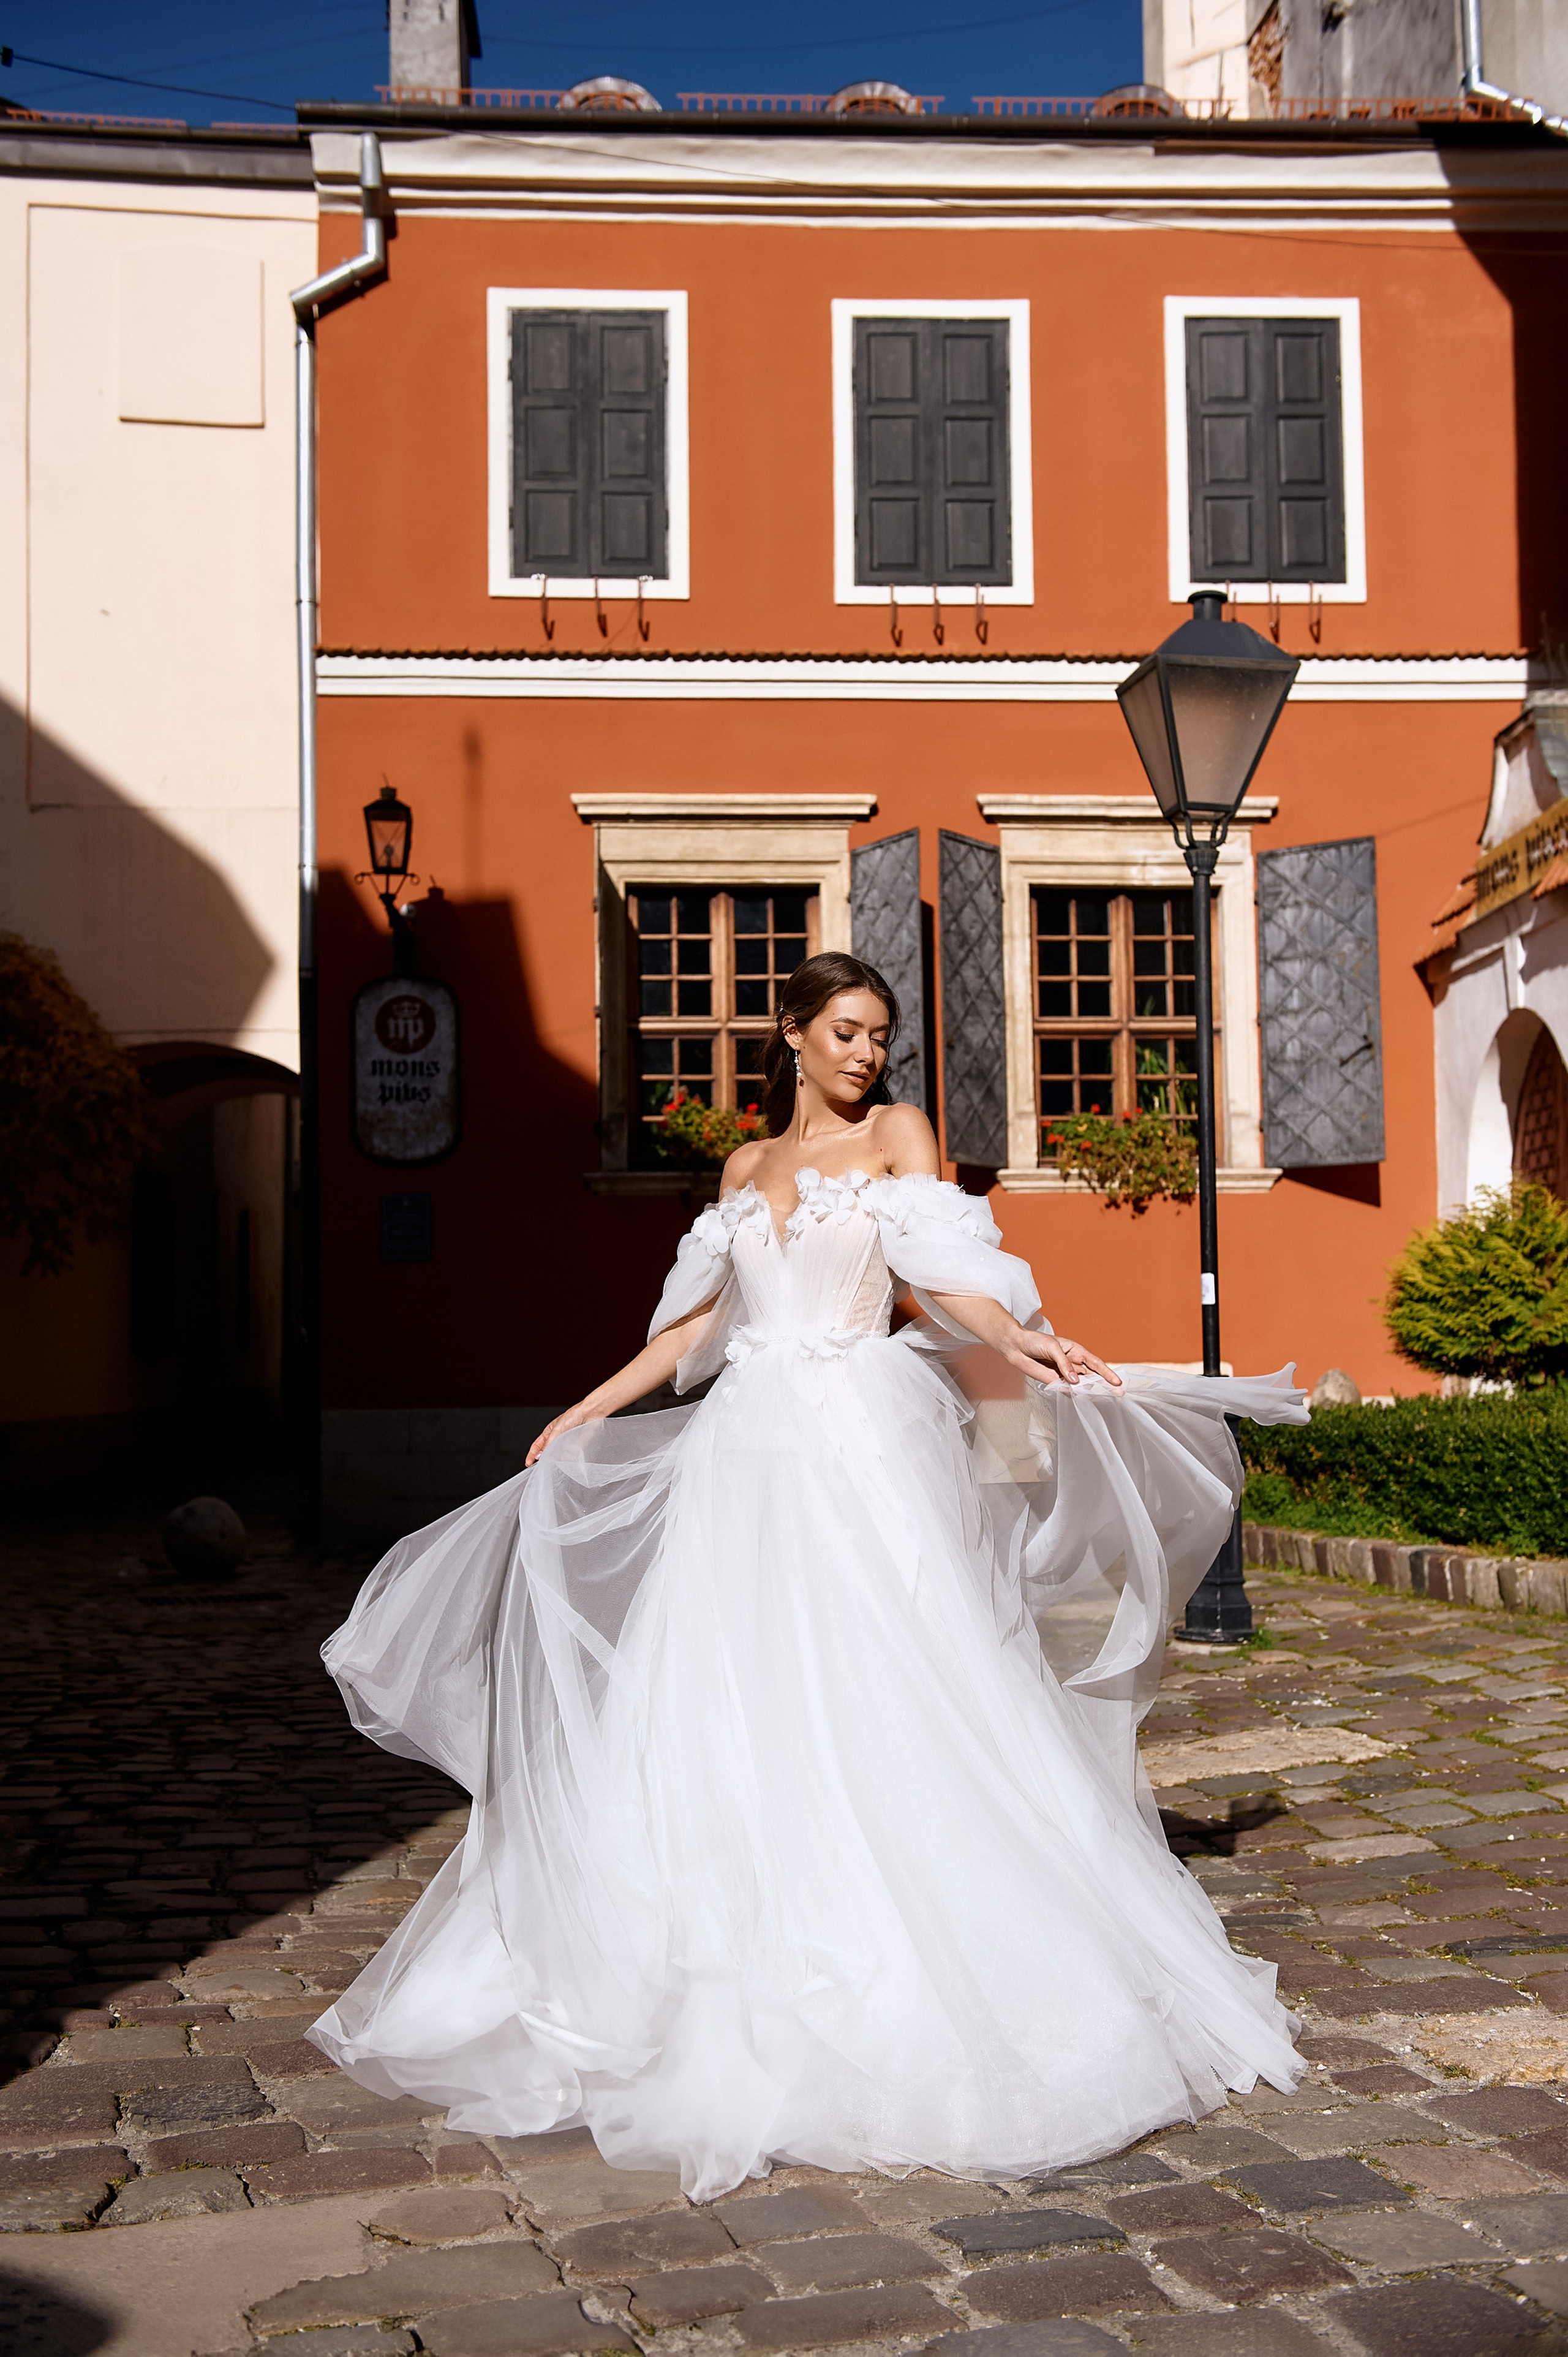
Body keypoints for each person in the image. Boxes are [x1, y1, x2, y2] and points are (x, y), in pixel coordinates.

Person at [309, 953, 1308, 2200]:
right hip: (745, 1451)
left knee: (893, 1678)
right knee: (723, 1691)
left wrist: (1016, 1336)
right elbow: (691, 1329)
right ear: (790, 1035)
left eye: (877, 1034)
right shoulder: (740, 1170)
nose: (864, 1053)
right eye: (842, 1031)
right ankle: (708, 1963)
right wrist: (587, 1404)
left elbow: (944, 1278)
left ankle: (934, 1959)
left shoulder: (896, 1133)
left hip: (857, 1439)